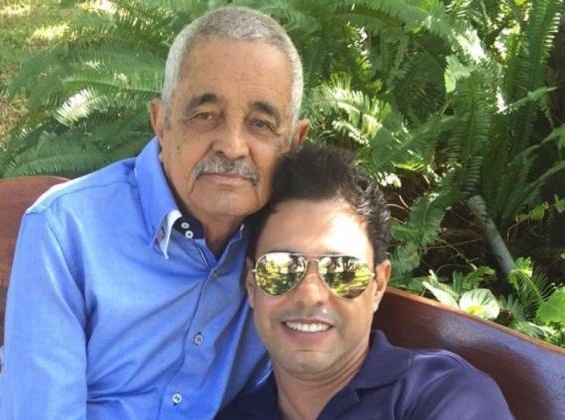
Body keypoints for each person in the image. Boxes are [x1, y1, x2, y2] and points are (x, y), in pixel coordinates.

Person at [0, 6, 309, 419]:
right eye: (205, 116)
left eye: (261, 124)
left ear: (294, 142)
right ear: (160, 122)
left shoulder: (291, 249)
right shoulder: (66, 231)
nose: (231, 146)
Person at [219, 145, 513, 420]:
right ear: (251, 284)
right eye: (282, 267)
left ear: (378, 286)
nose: (309, 294)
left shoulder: (443, 396)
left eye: (343, 270)